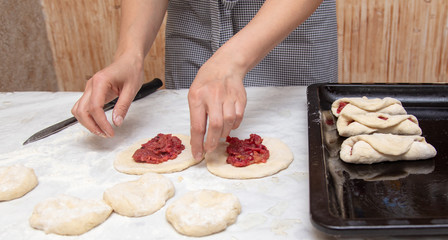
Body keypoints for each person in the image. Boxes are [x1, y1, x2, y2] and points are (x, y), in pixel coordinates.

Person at [71, 0, 337, 161]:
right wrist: (130, 53)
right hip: (193, 24)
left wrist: (233, 59)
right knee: (196, 139)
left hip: (284, 24)